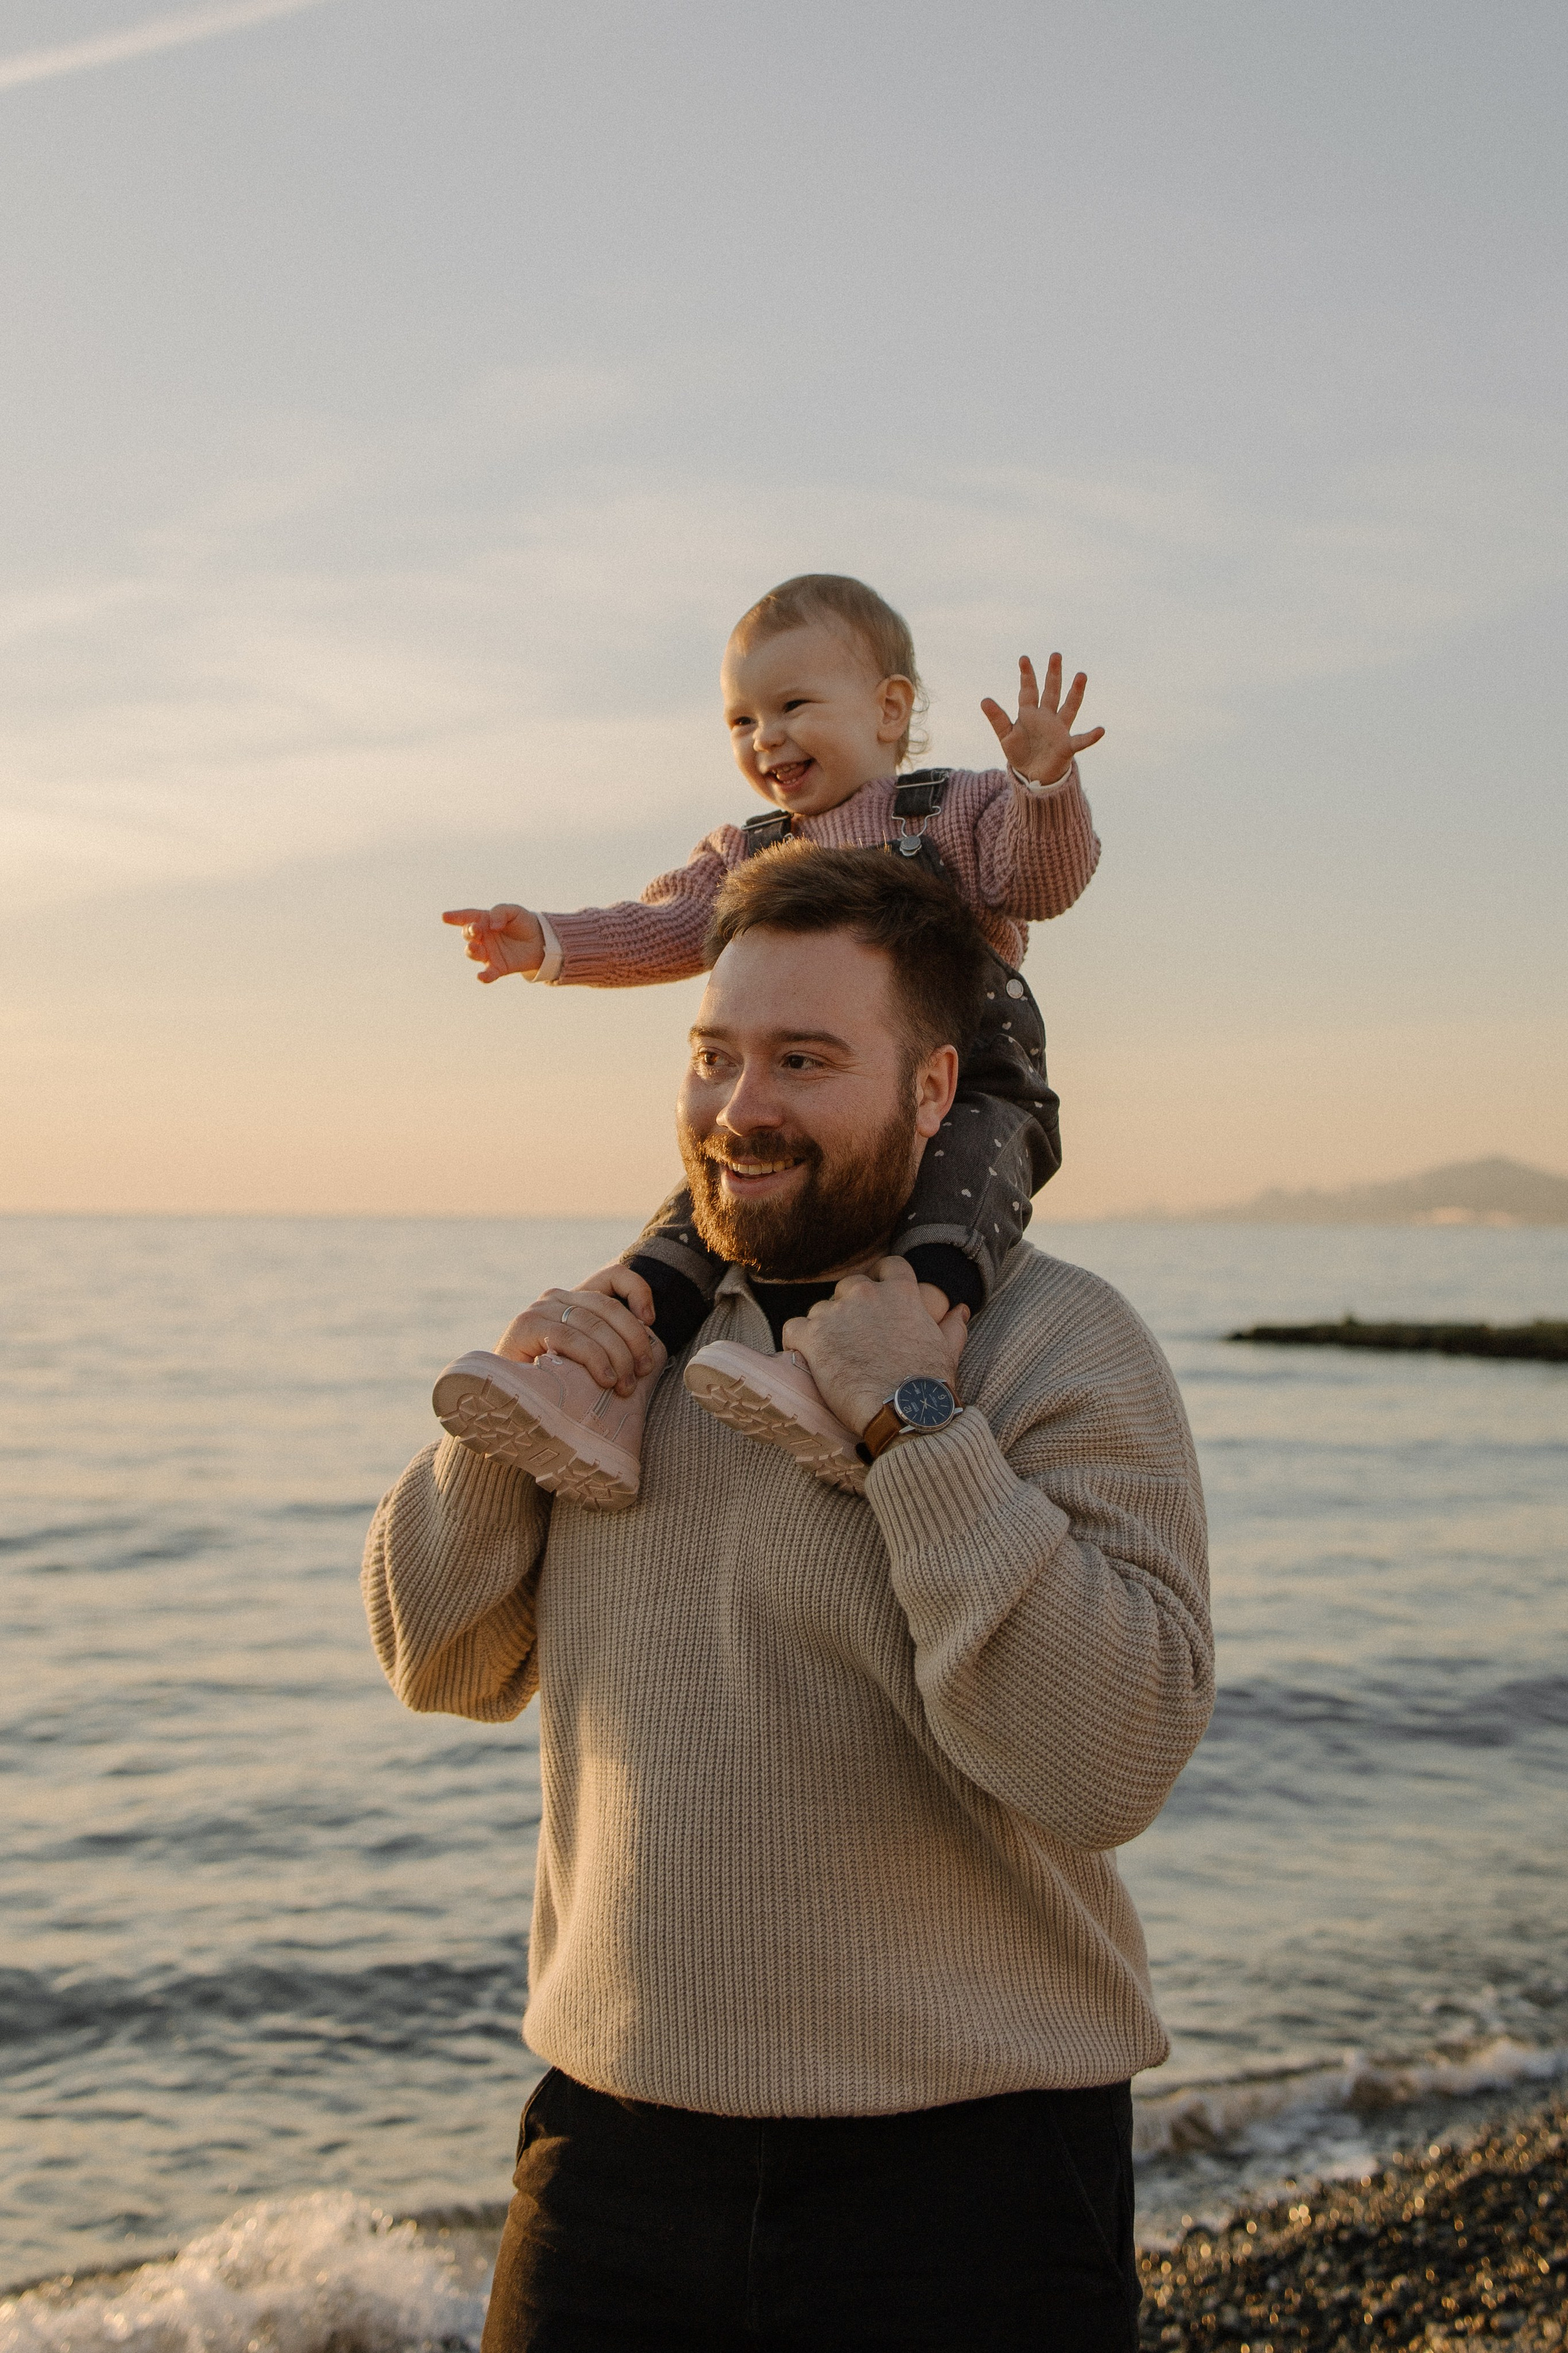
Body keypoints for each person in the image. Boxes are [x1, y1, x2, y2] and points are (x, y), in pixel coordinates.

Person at [363, 846, 1213, 2352]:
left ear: (936, 1091)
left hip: (975, 2183)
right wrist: (502, 1425)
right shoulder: (628, 1347)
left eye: (804, 1061)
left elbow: (1108, 1760)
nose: (740, 1106)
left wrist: (910, 1425)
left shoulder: (1057, 1345)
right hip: (611, 2165)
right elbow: (436, 1657)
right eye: (714, 1056)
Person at [435, 572, 1104, 1508]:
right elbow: (662, 926)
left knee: (961, 1206)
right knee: (693, 1218)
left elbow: (1039, 880)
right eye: (742, 721)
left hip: (976, 1078)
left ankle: (862, 1374)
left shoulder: (956, 807)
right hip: (811, 1102)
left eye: (793, 705)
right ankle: (608, 1397)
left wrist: (1041, 786)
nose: (766, 738)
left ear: (890, 711)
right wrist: (550, 943)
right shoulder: (750, 851)